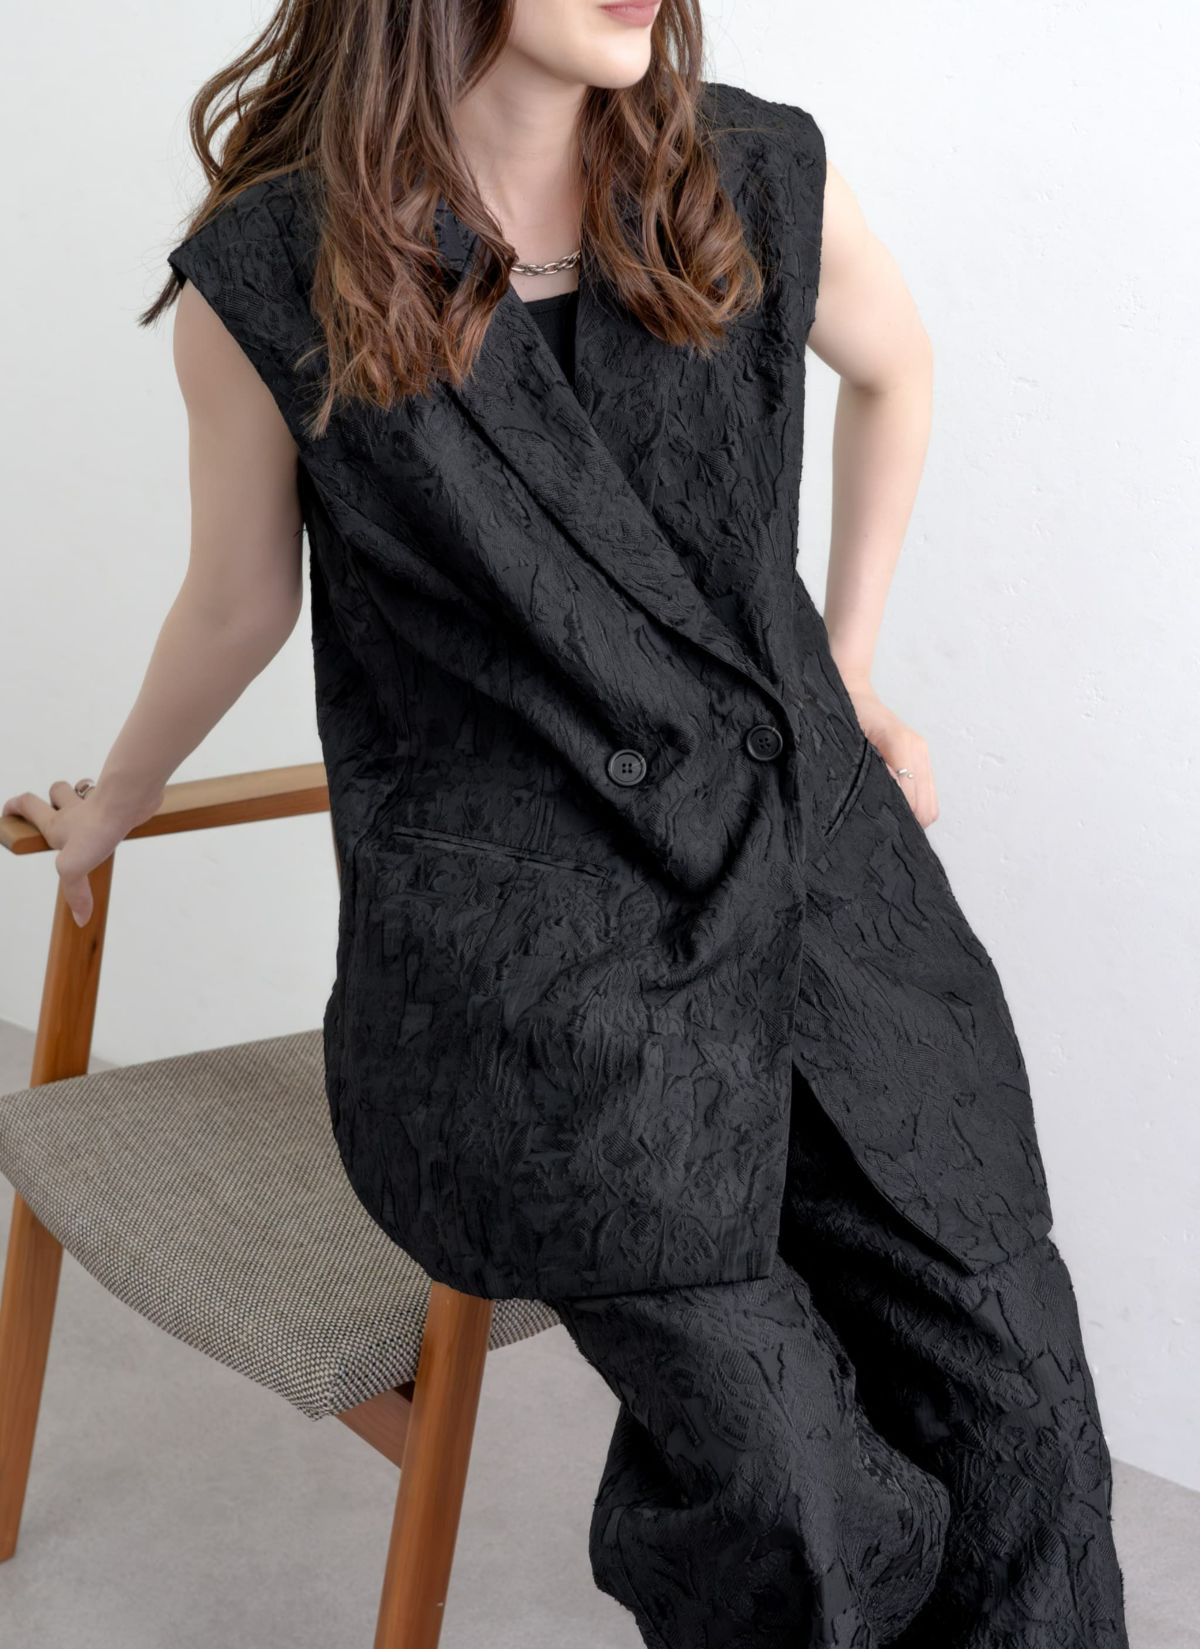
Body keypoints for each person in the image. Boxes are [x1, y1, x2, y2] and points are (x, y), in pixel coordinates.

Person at [3, 2, 1130, 1645]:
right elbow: (237, 602)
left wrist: (852, 667)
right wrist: (116, 799)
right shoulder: (277, 275)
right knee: (798, 1489)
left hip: (825, 893)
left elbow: (897, 367)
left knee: (1025, 1417)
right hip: (536, 976)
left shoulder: (750, 175)